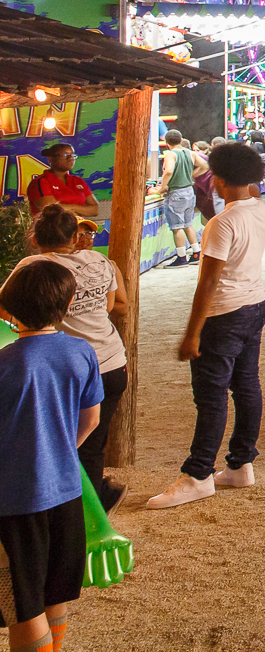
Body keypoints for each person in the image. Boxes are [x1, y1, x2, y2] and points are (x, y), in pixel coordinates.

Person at [145, 141, 265, 510]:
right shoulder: (262, 209)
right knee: (247, 385)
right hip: (255, 303)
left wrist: (191, 333)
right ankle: (241, 462)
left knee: (212, 395)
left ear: (219, 179)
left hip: (224, 313)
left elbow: (208, 283)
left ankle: (199, 473)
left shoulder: (221, 224)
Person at [0, 259, 103, 652]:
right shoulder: (82, 351)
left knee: (22, 604)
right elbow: (90, 419)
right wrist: (59, 450)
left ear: (8, 307)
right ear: (70, 302)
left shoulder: (6, 363)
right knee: (54, 588)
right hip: (66, 490)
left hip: (15, 500)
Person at [8, 207, 127, 510]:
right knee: (91, 444)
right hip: (111, 362)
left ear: (34, 238)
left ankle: (70, 509)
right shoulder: (101, 261)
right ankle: (94, 506)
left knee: (52, 440)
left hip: (65, 368)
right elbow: (111, 304)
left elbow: (5, 301)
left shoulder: (34, 264)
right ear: (76, 237)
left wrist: (23, 323)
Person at [150, 129, 205, 267]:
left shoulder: (170, 155)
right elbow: (205, 166)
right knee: (188, 224)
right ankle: (196, 253)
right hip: (189, 191)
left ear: (166, 143)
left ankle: (181, 257)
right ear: (181, 140)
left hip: (176, 194)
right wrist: (191, 175)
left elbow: (168, 171)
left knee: (177, 227)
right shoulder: (190, 153)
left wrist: (163, 186)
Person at [25, 143, 100, 215]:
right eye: (65, 155)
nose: (70, 158)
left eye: (73, 155)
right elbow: (51, 210)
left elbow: (95, 210)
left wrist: (69, 207)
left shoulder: (78, 181)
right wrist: (81, 209)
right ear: (50, 159)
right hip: (51, 227)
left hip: (76, 226)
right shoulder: (40, 182)